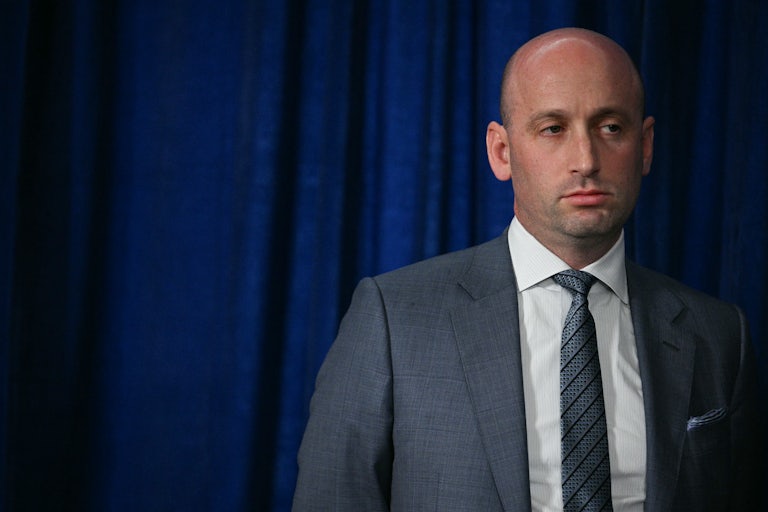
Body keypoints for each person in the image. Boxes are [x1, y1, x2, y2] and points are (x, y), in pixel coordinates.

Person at [292, 27, 761, 511]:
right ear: (502, 151)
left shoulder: (722, 335)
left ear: (644, 146)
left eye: (611, 127)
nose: (586, 160)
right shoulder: (394, 318)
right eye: (553, 128)